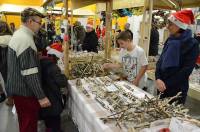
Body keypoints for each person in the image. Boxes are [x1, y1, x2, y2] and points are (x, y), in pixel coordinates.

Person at [6, 8, 51, 132]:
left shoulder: (19, 34)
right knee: (29, 125)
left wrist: (35, 57)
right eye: (39, 22)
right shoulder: (25, 39)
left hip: (19, 90)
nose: (40, 26)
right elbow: (29, 73)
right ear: (30, 21)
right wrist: (41, 96)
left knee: (25, 123)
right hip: (25, 92)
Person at [155, 10, 199, 104]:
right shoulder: (170, 39)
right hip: (161, 86)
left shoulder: (192, 44)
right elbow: (161, 60)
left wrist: (165, 84)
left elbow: (186, 70)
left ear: (180, 26)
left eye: (171, 24)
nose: (167, 27)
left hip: (177, 90)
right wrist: (158, 78)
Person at [39, 43, 68, 132]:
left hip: (44, 94)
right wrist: (64, 76)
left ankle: (48, 128)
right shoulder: (52, 66)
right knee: (55, 117)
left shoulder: (39, 63)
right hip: (53, 97)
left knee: (47, 116)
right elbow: (61, 82)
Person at [0, 20, 13, 104]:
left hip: (2, 61)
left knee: (6, 81)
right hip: (12, 60)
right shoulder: (13, 38)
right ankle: (12, 98)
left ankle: (9, 98)